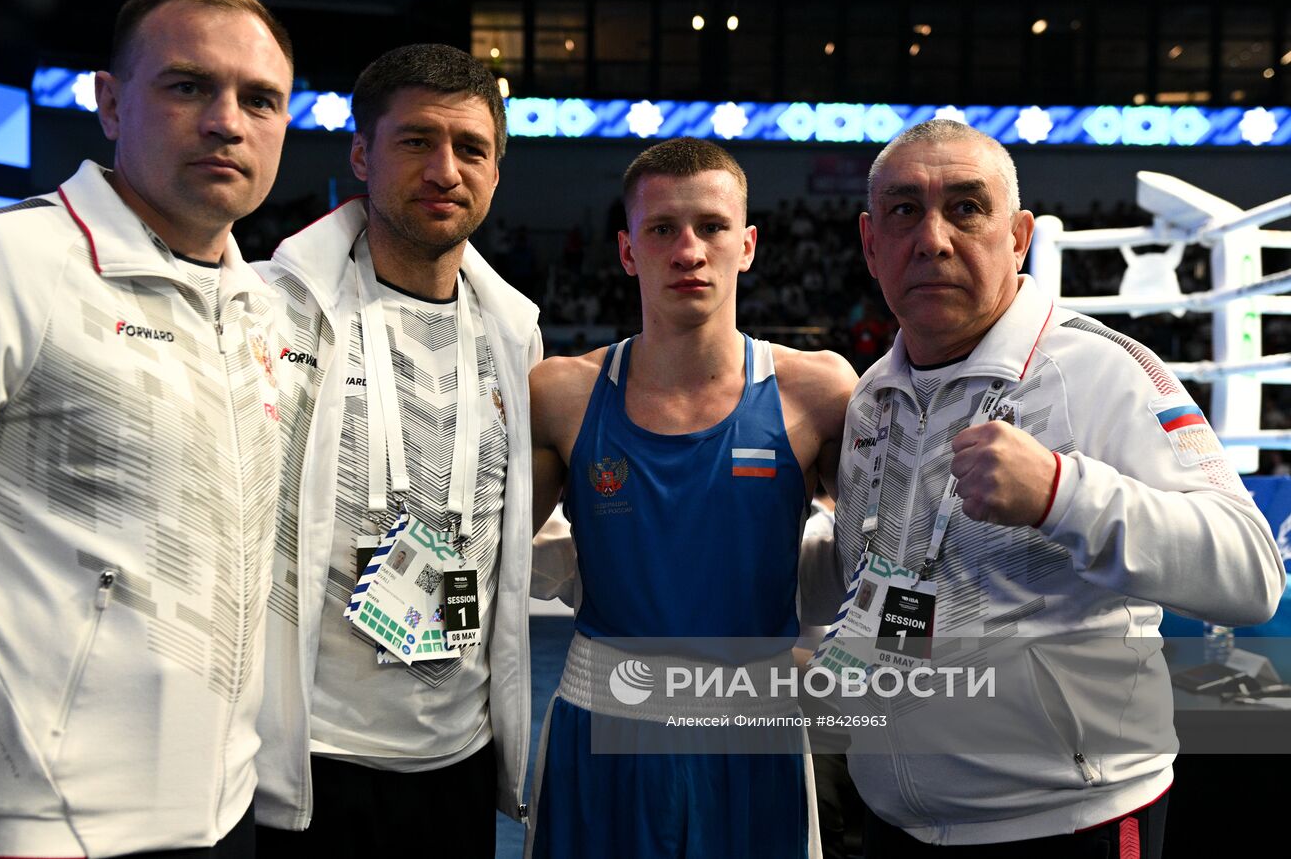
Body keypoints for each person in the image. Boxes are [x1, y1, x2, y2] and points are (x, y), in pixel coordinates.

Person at [0, 0, 293, 858]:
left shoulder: (261, 309)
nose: (228, 120)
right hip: (14, 826)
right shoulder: (1, 263)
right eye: (189, 86)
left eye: (259, 99)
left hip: (220, 816)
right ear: (109, 102)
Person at [814, 118, 1284, 856]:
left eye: (966, 207)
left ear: (1019, 235)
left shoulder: (1102, 368)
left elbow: (1253, 572)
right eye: (905, 210)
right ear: (872, 244)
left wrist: (1065, 494)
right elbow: (899, 575)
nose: (933, 238)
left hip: (1067, 822)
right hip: (897, 820)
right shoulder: (875, 394)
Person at [527, 137, 858, 858]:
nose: (688, 250)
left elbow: (896, 554)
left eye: (710, 226)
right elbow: (484, 549)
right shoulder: (561, 394)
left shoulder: (819, 392)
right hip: (602, 727)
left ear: (747, 244)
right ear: (625, 249)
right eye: (662, 229)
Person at [252, 44, 541, 857]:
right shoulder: (269, 310)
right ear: (360, 154)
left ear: (496, 170)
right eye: (416, 140)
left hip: (459, 756)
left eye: (471, 148)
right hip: (308, 755)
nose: (445, 169)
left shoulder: (516, 332)